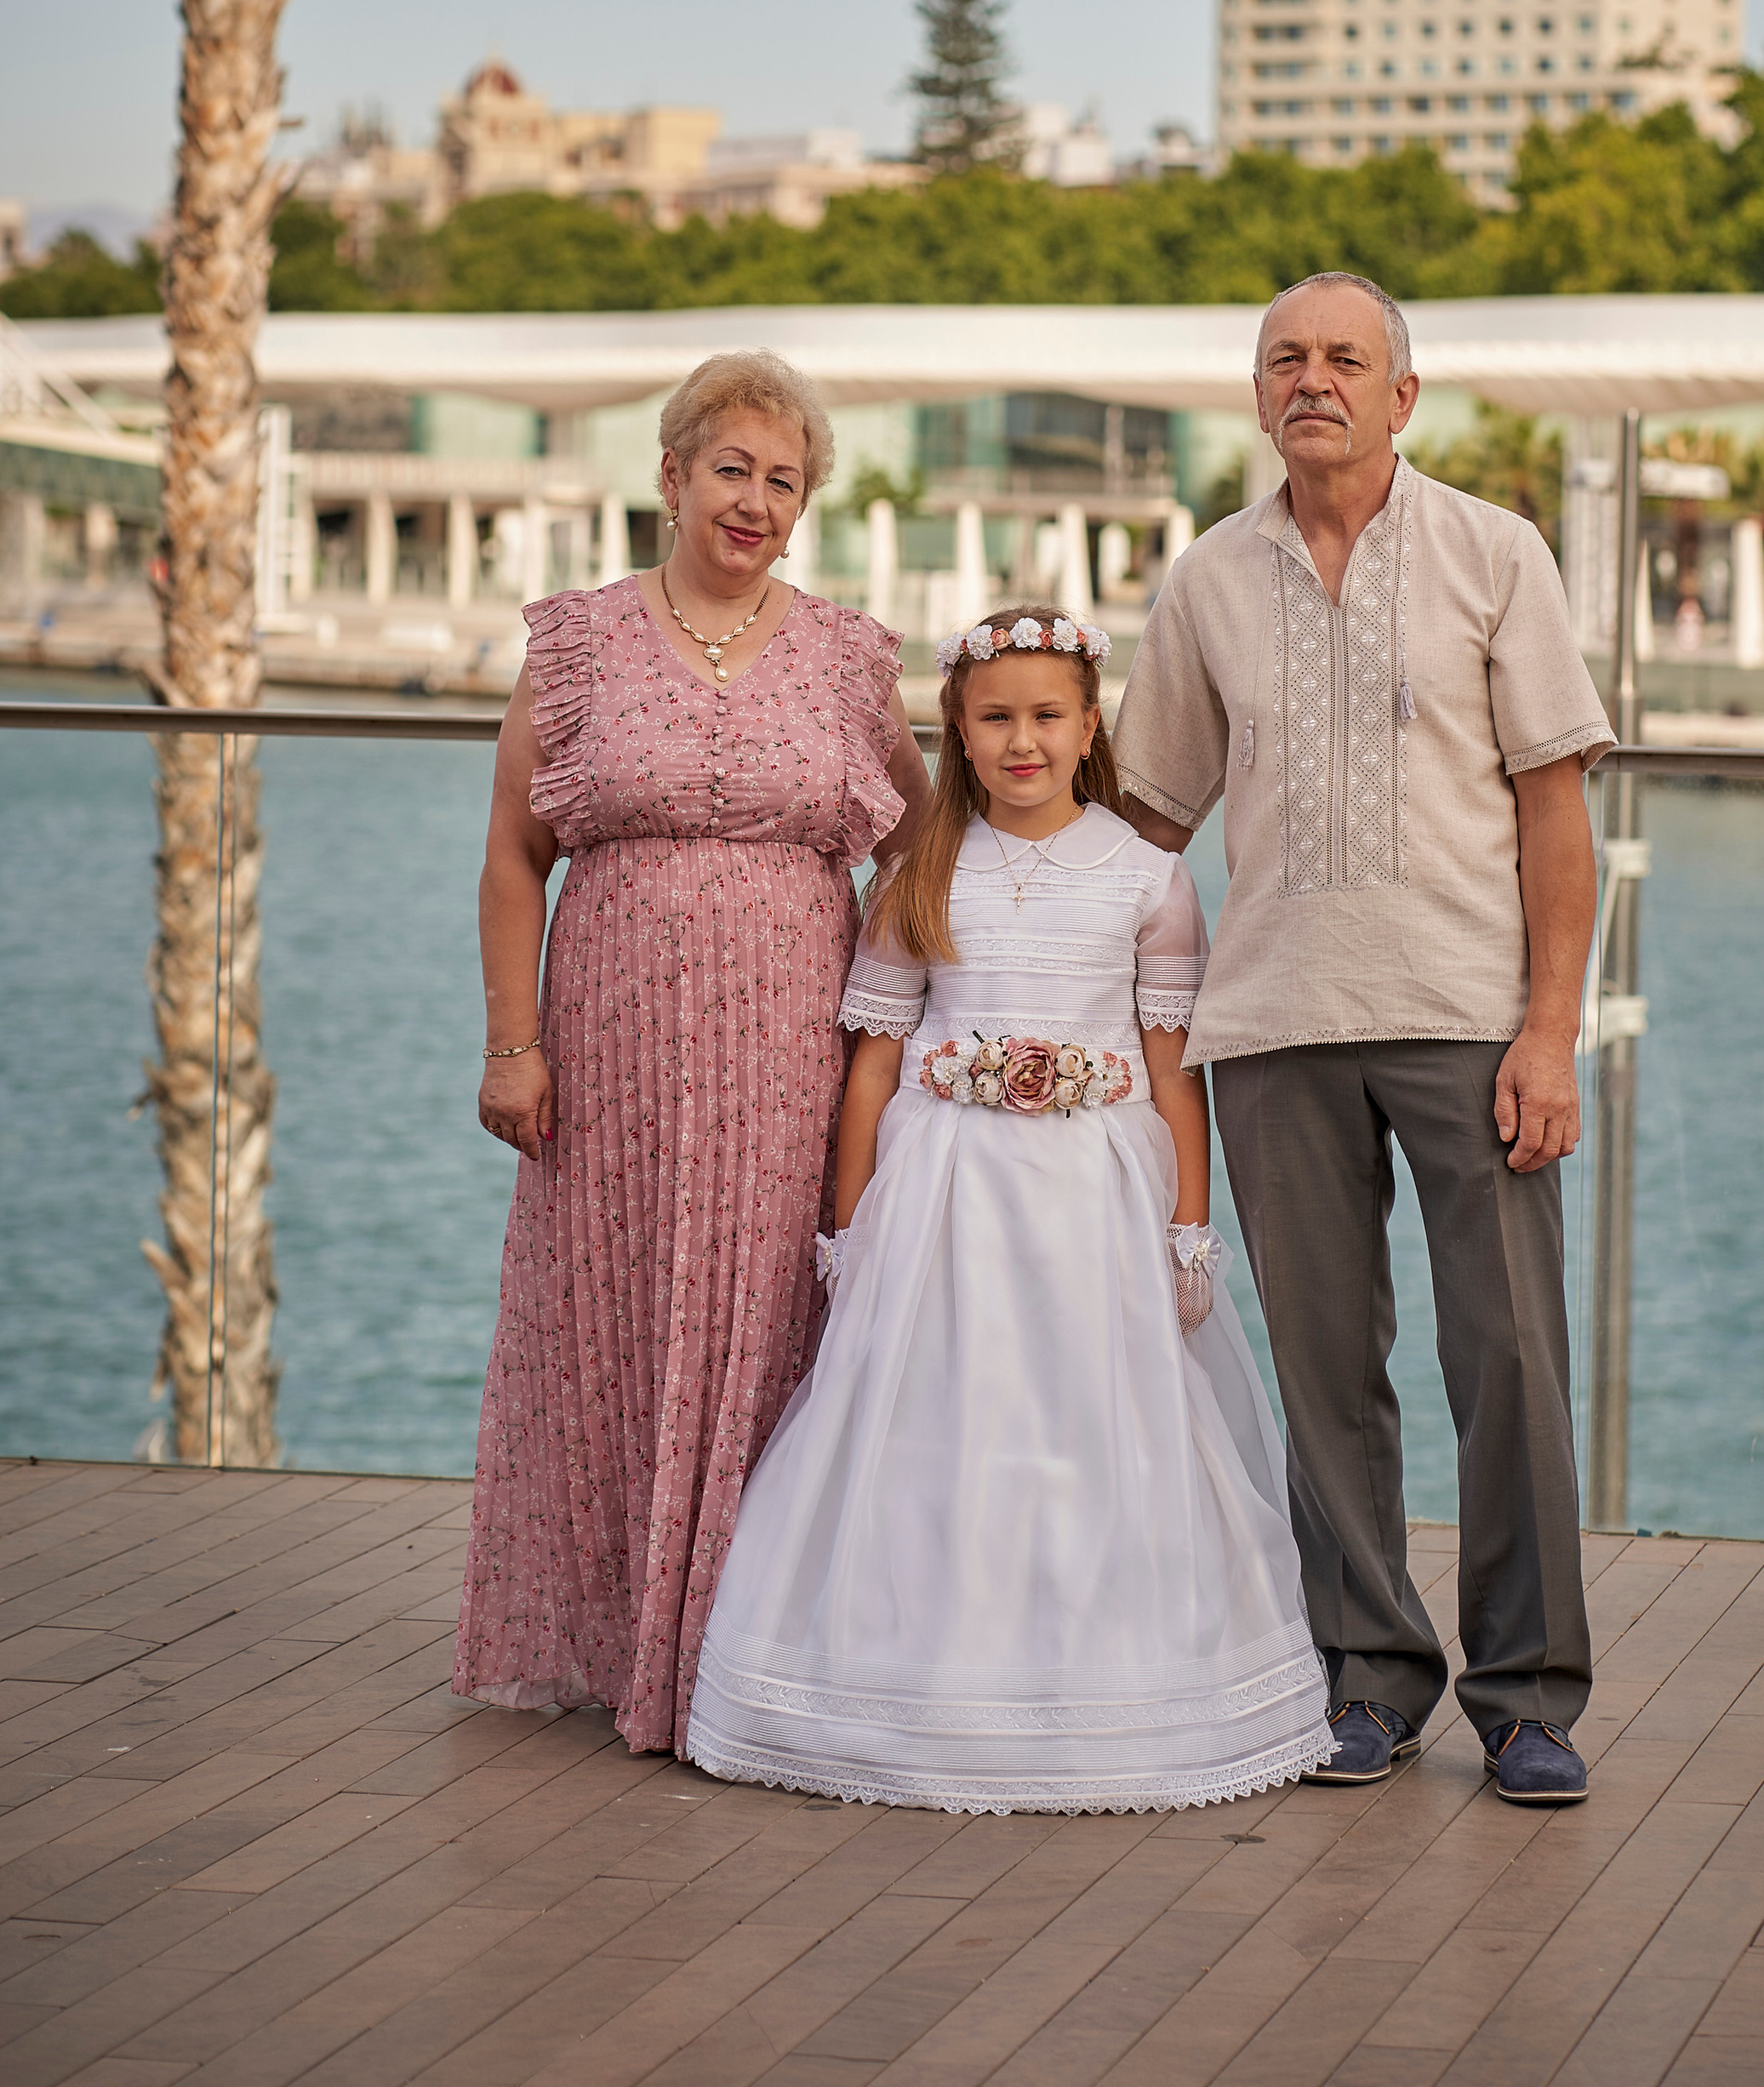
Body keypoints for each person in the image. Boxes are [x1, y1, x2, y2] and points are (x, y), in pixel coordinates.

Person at [685, 603, 1332, 1814]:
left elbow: (1170, 1066)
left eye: (1047, 716)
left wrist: (1192, 1230)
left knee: (1089, 1423)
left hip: (1094, 1194)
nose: (1021, 740)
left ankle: (1112, 1688)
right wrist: (848, 1227)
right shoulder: (923, 871)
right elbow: (873, 1067)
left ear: (1092, 726)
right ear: (961, 734)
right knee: (940, 1420)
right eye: (995, 719)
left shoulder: (1148, 878)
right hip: (945, 1196)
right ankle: (909, 1688)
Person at [1110, 274, 1613, 1807]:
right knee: (1327, 1373)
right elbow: (1142, 819)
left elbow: (1554, 807)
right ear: (1257, 397)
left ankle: (1526, 1697)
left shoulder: (1492, 553)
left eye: (1345, 357)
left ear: (1405, 394)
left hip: (1471, 1024)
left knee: (1511, 1358)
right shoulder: (1203, 584)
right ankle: (1368, 1683)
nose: (1312, 379)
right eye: (1286, 360)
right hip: (1268, 1028)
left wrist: (1551, 1029)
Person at [451, 349, 928, 1756]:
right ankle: (624, 1642)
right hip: (610, 1053)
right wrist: (511, 1045)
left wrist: (912, 1027)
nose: (757, 501)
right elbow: (509, 859)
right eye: (733, 469)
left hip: (793, 1047)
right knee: (614, 1318)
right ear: (670, 476)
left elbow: (923, 842)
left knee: (775, 1316)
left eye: (785, 482)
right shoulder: (582, 644)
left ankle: (751, 1649)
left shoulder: (848, 654)